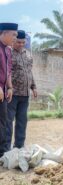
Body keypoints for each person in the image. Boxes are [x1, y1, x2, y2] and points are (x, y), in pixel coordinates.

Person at [5, 30, 37, 150]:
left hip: (25, 94)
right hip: (12, 93)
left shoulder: (28, 54)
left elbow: (29, 72)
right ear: (14, 41)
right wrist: (8, 88)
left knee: (22, 122)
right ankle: (5, 149)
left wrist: (33, 87)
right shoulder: (8, 53)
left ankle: (19, 146)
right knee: (8, 122)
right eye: (18, 42)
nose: (21, 44)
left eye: (23, 42)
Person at [0, 23, 18, 157]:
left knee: (4, 122)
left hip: (4, 92)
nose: (15, 38)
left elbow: (9, 72)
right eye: (13, 35)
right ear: (4, 33)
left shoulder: (8, 50)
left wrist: (10, 87)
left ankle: (3, 152)